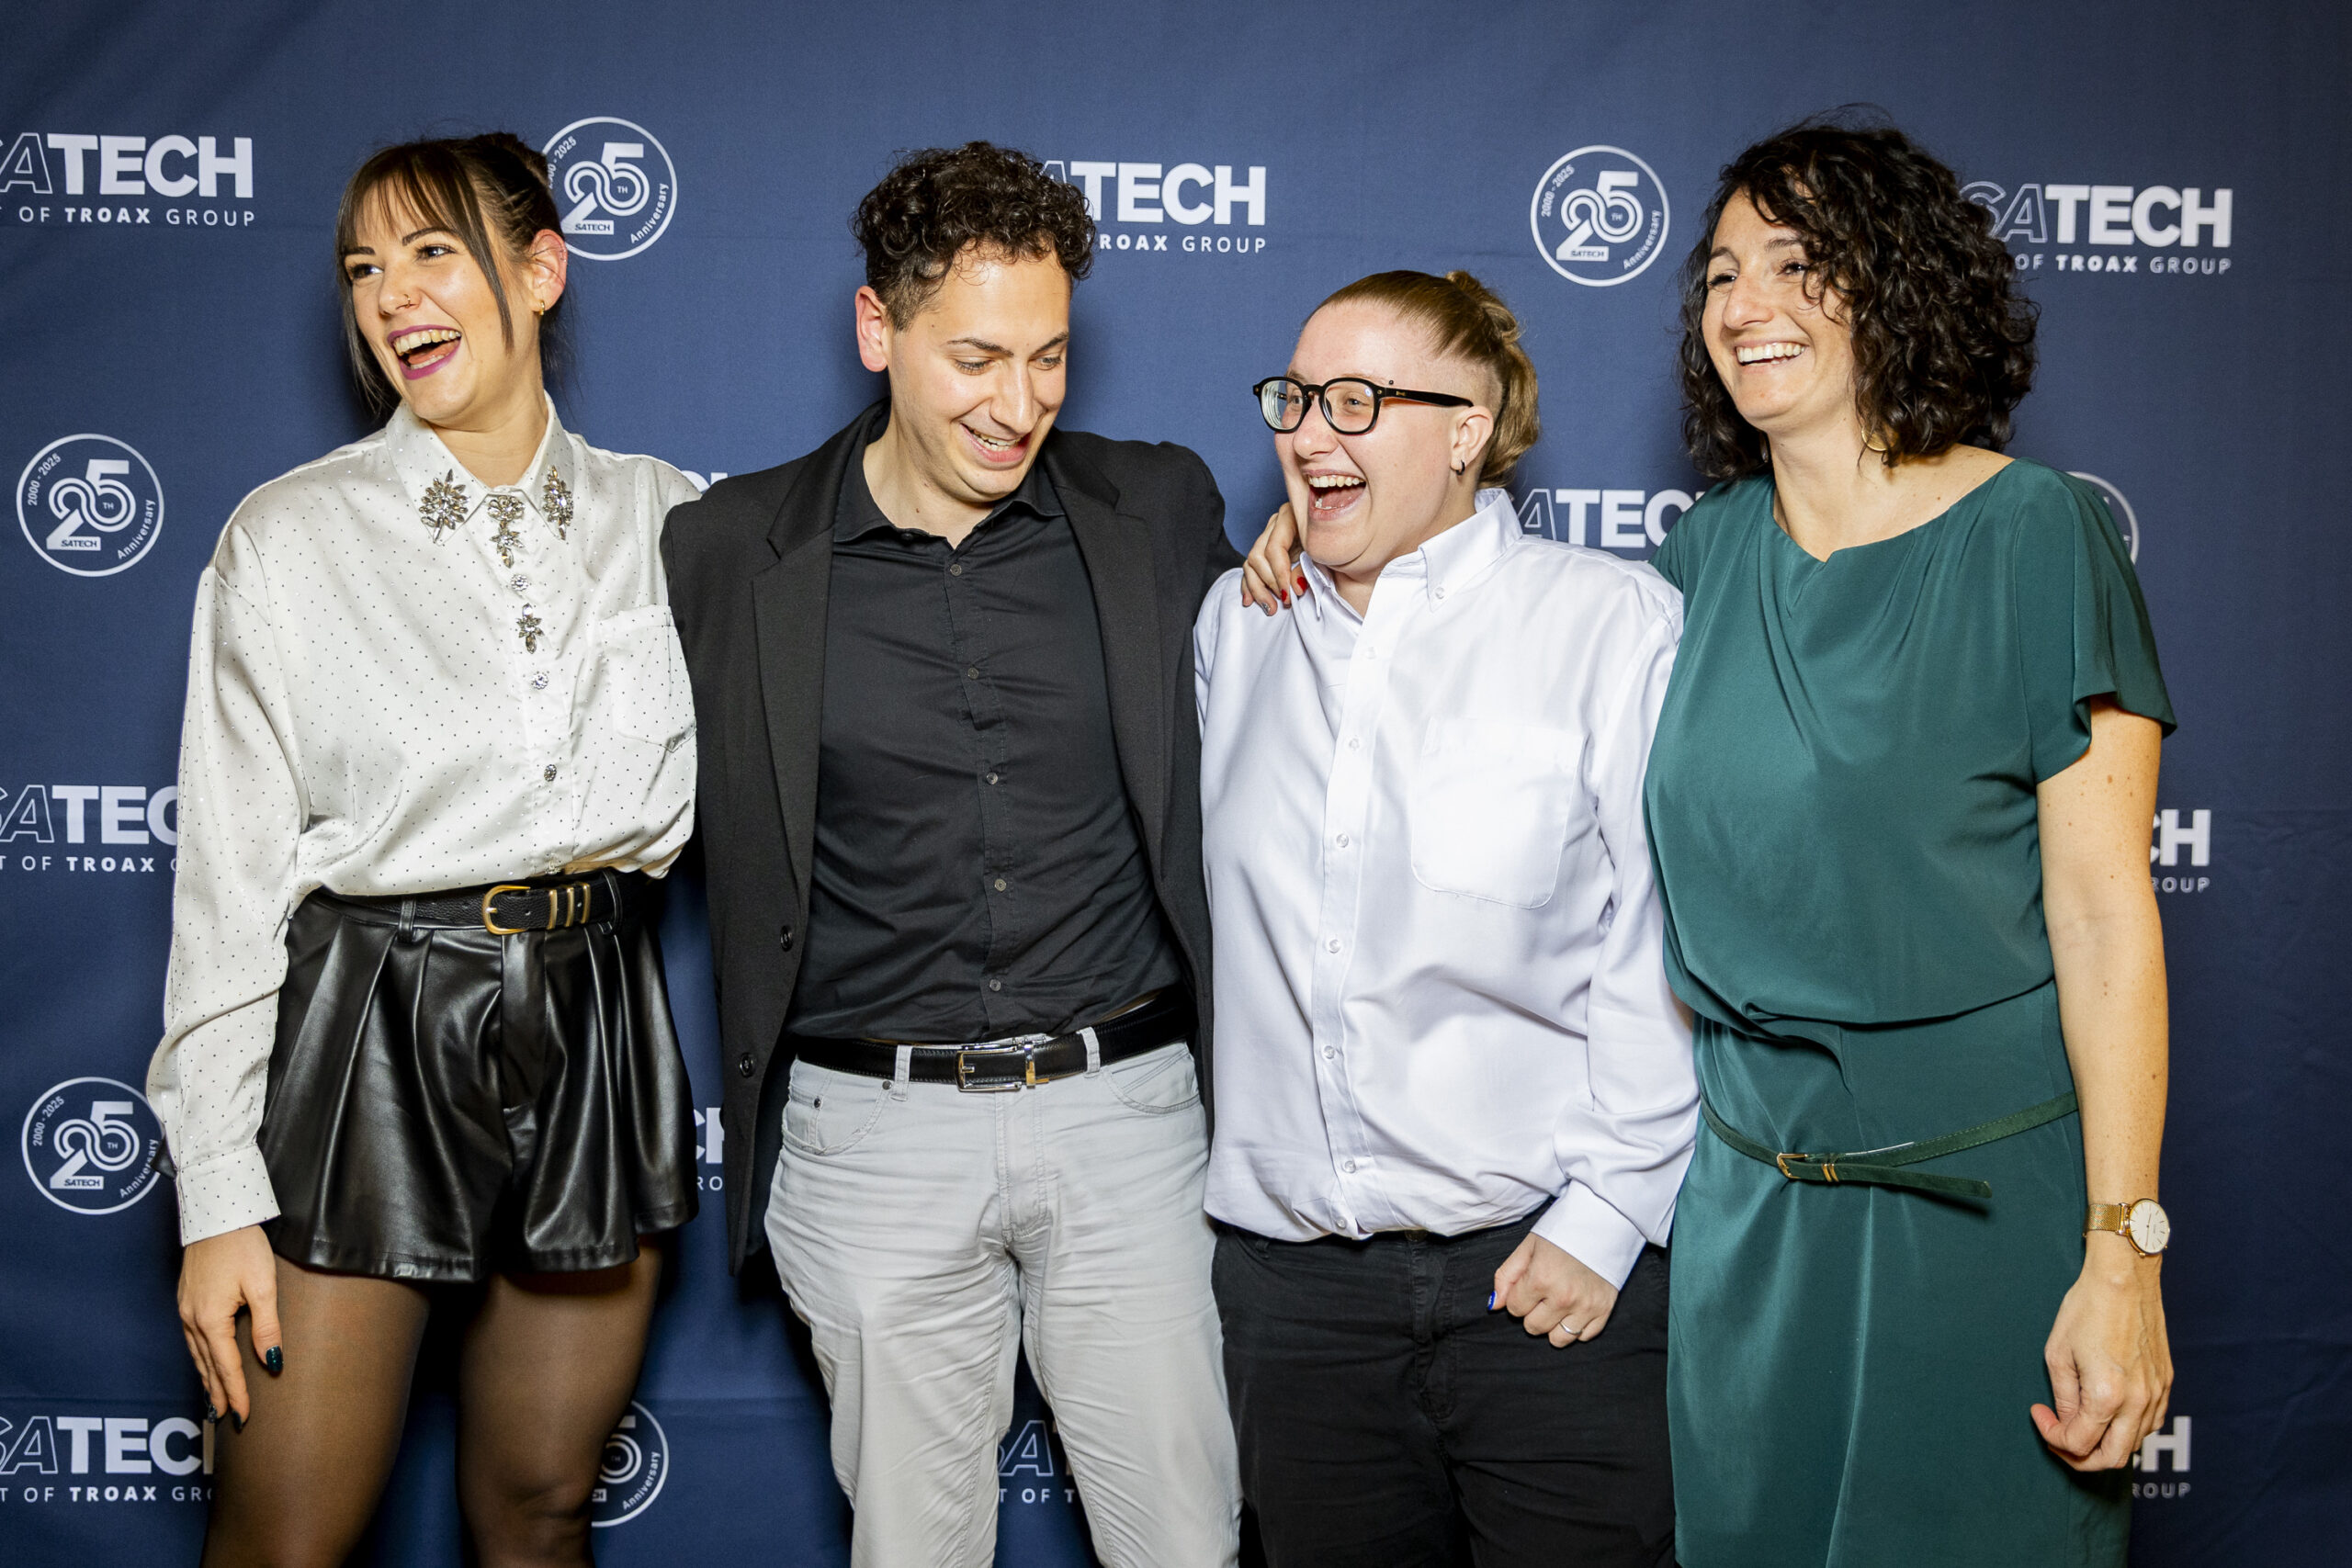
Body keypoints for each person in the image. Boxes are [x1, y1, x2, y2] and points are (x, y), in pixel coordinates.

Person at [661, 141, 1242, 1568]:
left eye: (1049, 359)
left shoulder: (1158, 509)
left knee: (1186, 1542)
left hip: (1131, 1116)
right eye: (977, 358)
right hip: (870, 1136)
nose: (1020, 403)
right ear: (879, 330)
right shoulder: (731, 548)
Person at [149, 132, 702, 1568]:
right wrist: (217, 1205)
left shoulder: (680, 519)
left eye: (433, 252)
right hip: (368, 1028)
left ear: (540, 269)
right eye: (363, 269)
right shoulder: (288, 539)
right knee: (283, 1535)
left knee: (539, 1515)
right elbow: (224, 892)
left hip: (595, 1010)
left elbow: (900, 521)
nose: (392, 296)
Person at [1645, 119, 2173, 1564]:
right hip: (1750, 1217)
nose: (1746, 304)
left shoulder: (2038, 534)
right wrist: (1318, 564)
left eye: (1799, 265)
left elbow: (2108, 917)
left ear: (1897, 286)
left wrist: (2121, 1257)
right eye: (1725, 272)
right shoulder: (1693, 563)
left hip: (1988, 1213)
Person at [1201, 270, 1693, 1567]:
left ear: (1469, 428)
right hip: (1293, 1302)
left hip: (1544, 1283)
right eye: (1296, 399)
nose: (1309, 434)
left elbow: (1660, 949)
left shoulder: (1608, 625)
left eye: (1356, 401)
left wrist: (1606, 1222)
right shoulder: (1235, 628)